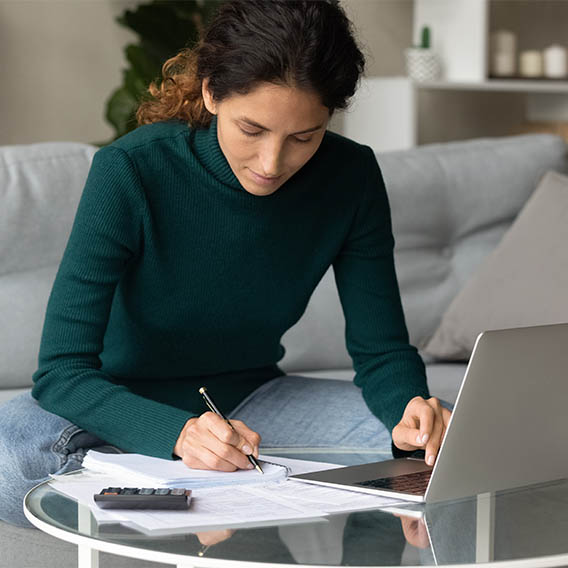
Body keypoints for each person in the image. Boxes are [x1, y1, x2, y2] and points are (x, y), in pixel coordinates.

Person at [0, 0, 451, 528]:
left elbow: (382, 351)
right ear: (212, 92)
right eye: (253, 129)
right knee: (13, 452)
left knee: (440, 452)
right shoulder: (130, 170)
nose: (271, 163)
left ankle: (198, 495)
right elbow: (62, 373)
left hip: (255, 400)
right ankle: (202, 485)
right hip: (113, 405)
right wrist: (178, 434)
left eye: (304, 137)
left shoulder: (351, 178)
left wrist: (410, 412)